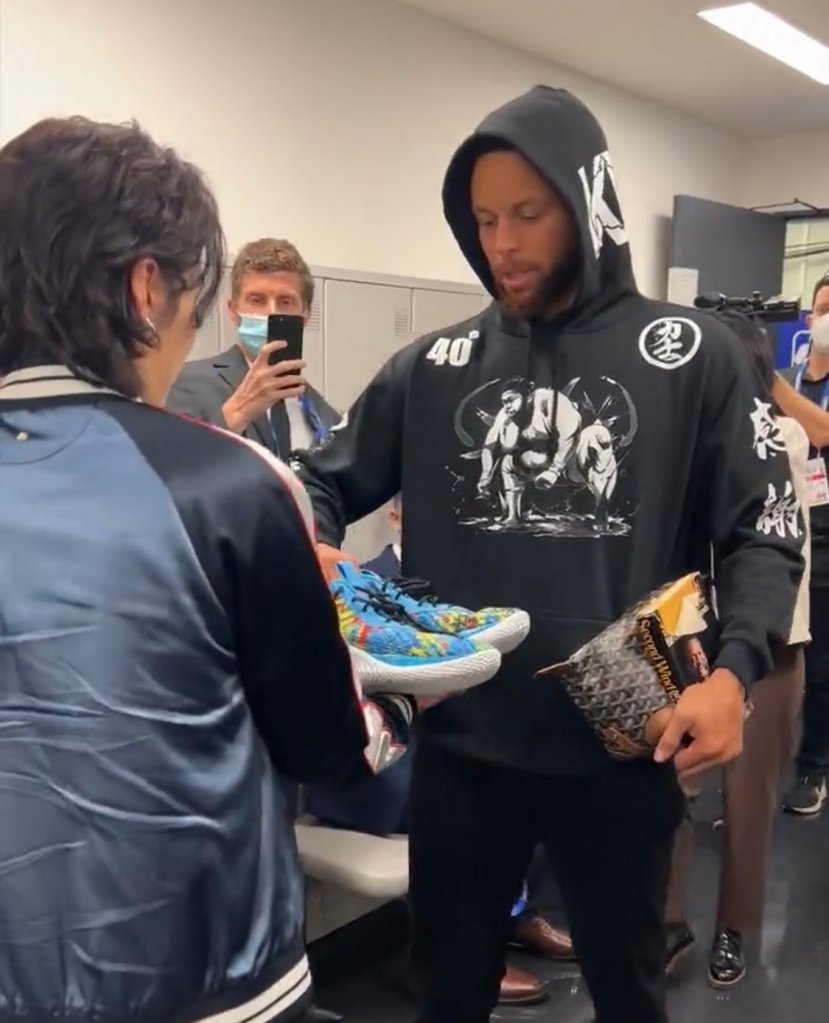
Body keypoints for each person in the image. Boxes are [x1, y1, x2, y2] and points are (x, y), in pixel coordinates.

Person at [293, 85, 803, 1023]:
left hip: (623, 757)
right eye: (484, 219)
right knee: (446, 995)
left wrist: (733, 674)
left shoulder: (692, 357)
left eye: (528, 213)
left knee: (628, 994)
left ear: (586, 203)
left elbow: (763, 528)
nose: (502, 242)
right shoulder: (432, 368)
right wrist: (311, 545)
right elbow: (315, 483)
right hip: (461, 754)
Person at [0, 116, 415, 1023]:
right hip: (205, 980)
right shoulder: (224, 482)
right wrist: (407, 704)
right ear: (147, 289)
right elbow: (324, 743)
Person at [306, 498, 574, 1008]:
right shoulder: (358, 586)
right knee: (469, 789)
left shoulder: (456, 601)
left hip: (424, 742)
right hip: (372, 772)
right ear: (394, 516)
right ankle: (462, 952)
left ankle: (509, 918)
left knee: (525, 773)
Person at [664, 313, 810, 988]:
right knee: (673, 783)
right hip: (690, 640)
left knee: (749, 797)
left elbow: (766, 545)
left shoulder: (781, 437)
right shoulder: (682, 436)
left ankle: (735, 929)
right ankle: (668, 921)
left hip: (771, 647)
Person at [168, 237, 338, 456]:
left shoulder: (325, 415)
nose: (271, 312)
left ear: (305, 316)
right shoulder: (186, 384)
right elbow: (173, 467)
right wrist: (237, 413)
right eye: (256, 300)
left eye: (285, 301)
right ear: (233, 311)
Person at [771, 273, 829, 814]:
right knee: (780, 657)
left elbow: (822, 432)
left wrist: (767, 383)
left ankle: (814, 768)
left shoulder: (778, 384)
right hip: (784, 534)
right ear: (809, 316)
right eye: (825, 307)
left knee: (824, 666)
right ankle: (762, 772)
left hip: (828, 541)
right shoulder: (788, 377)